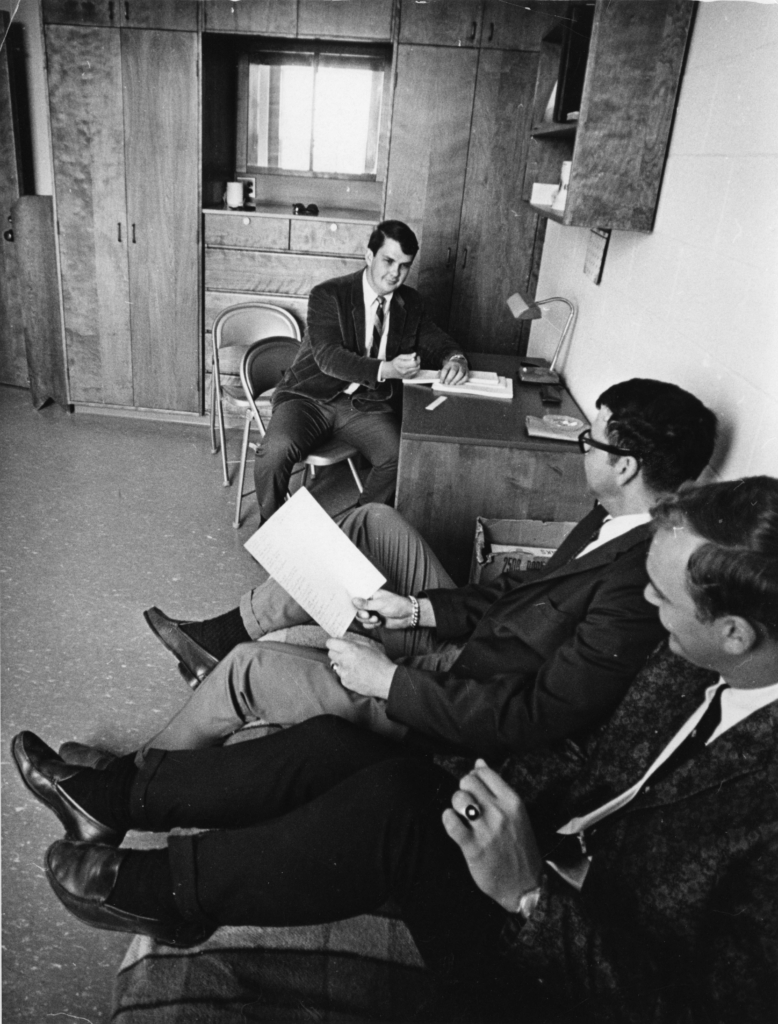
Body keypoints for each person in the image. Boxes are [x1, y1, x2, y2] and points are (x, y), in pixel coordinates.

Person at [13, 476, 778, 1023]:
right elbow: (592, 762)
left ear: (735, 632)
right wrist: (485, 786)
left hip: (558, 964)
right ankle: (112, 798)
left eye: (663, 597)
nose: (649, 604)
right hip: (535, 819)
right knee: (327, 744)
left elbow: (684, 1005)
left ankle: (175, 895)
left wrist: (531, 896)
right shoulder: (695, 668)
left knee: (395, 800)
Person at [130, 378, 716, 760]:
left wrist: (390, 679)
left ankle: (131, 781)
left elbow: (536, 715)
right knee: (372, 521)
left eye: (591, 440)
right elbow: (526, 592)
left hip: (459, 692)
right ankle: (220, 635)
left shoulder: (639, 578)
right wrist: (414, 609)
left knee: (250, 669)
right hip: (482, 642)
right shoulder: (612, 518)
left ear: (626, 467)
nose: (581, 445)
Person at [253, 219, 467, 522]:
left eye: (404, 266)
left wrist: (456, 358)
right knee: (274, 451)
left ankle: (357, 528)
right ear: (369, 256)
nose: (395, 273)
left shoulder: (411, 302)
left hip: (363, 404)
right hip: (309, 397)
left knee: (397, 456)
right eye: (388, 261)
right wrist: (387, 369)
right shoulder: (329, 294)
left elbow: (435, 339)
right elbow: (329, 358)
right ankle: (271, 528)